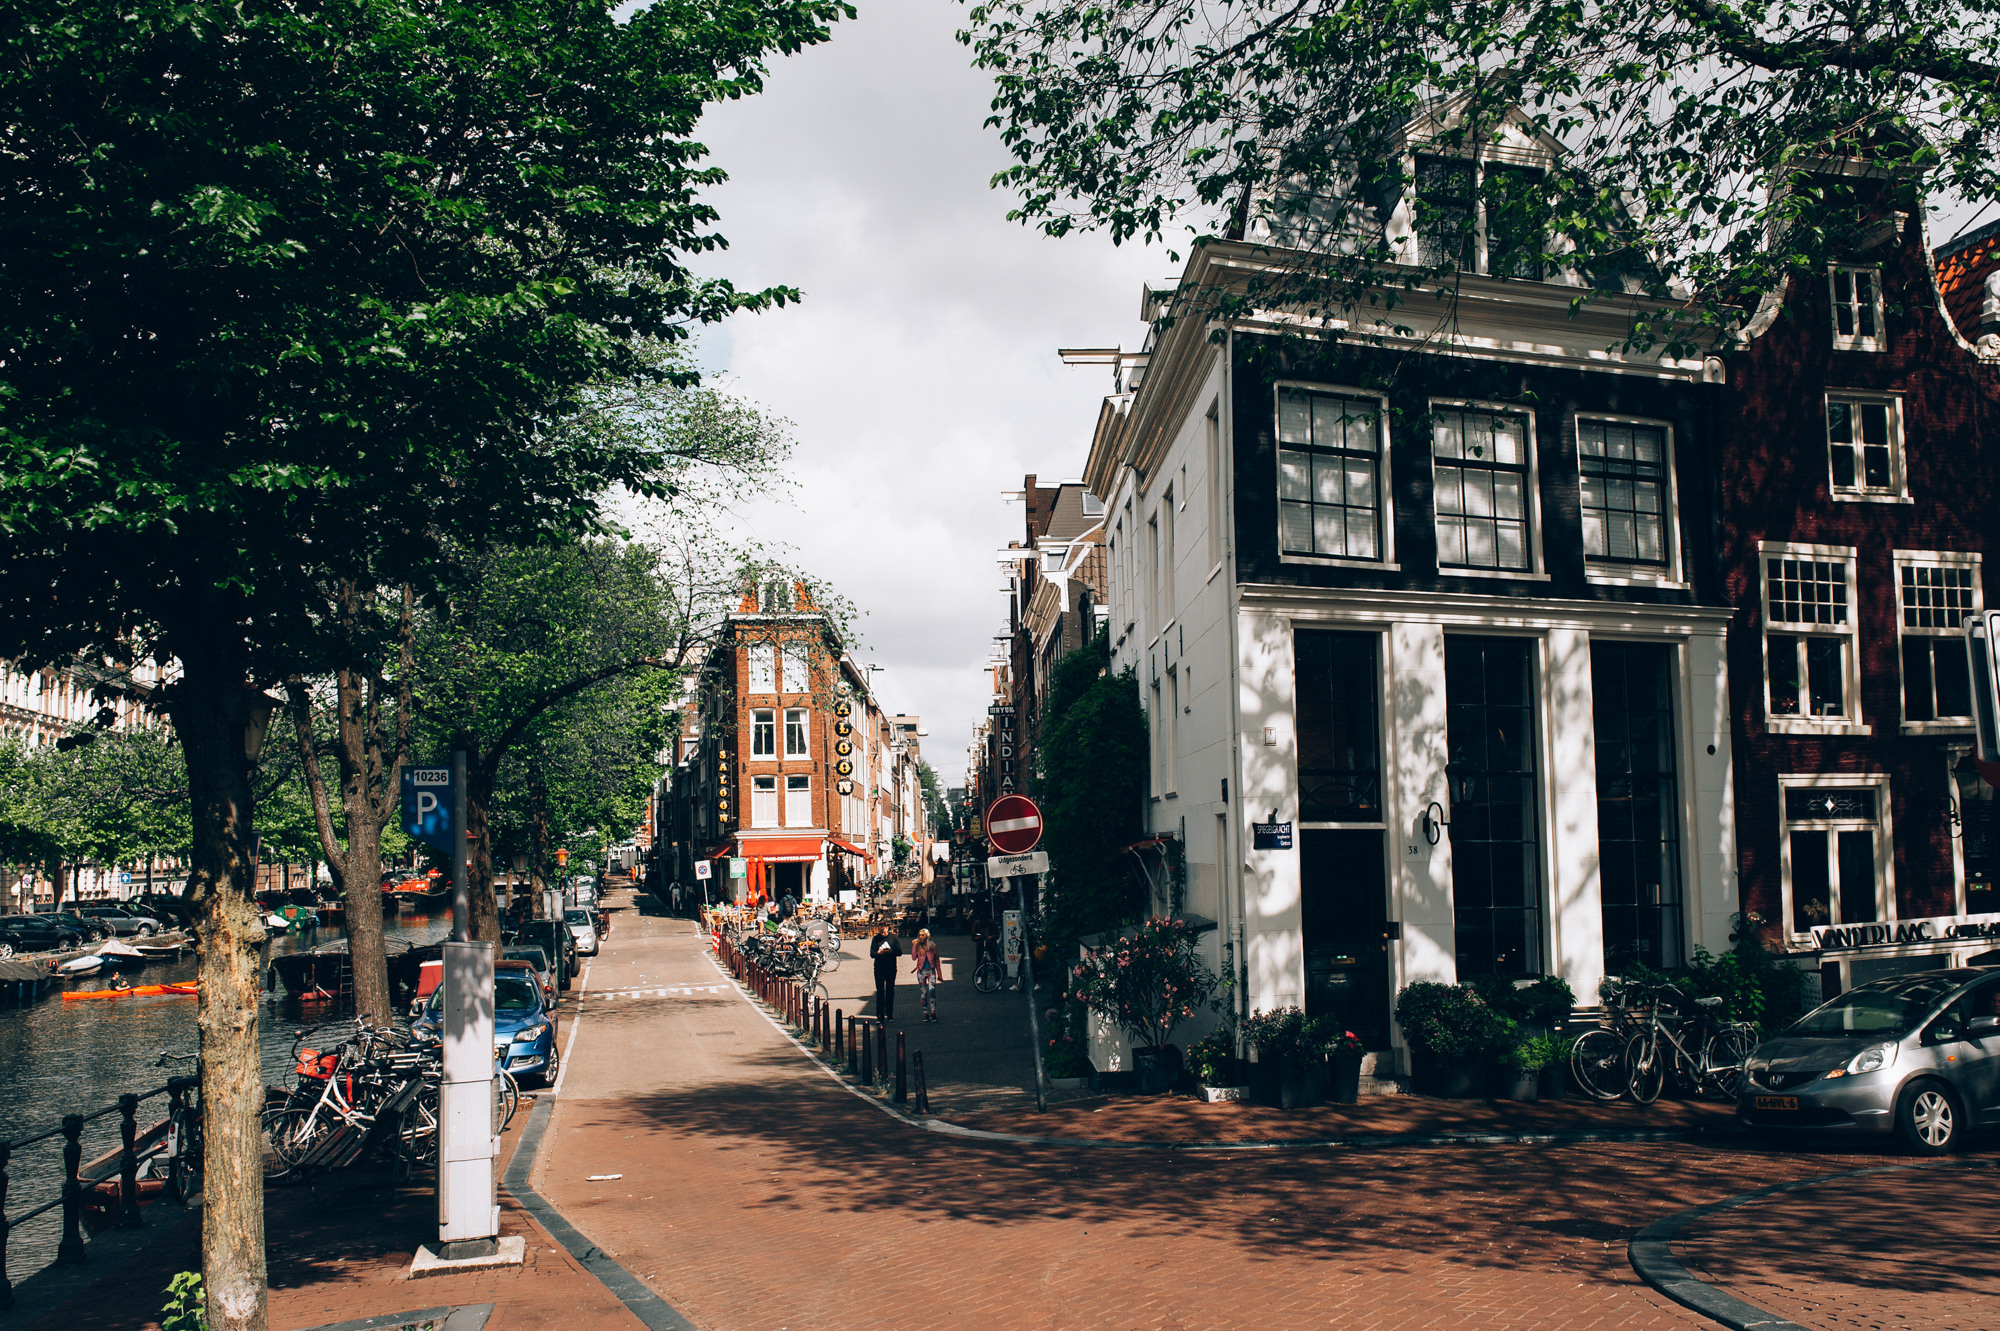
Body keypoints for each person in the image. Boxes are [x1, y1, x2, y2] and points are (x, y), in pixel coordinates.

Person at [870, 924, 901, 1020]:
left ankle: (890, 1013)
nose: (883, 934)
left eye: (884, 931)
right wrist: (878, 953)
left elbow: (899, 952)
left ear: (888, 928)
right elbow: (872, 954)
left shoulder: (893, 938)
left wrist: (890, 951)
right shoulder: (876, 939)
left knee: (890, 990)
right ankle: (880, 1014)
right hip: (879, 968)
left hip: (891, 967)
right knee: (880, 991)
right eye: (881, 932)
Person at [911, 928, 942, 1023]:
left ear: (927, 936)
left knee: (932, 991)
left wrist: (939, 974)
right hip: (921, 972)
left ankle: (933, 1012)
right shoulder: (918, 946)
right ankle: (925, 1013)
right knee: (923, 993)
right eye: (919, 935)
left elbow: (937, 960)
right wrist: (914, 945)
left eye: (923, 935)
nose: (921, 937)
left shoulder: (932, 945)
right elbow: (913, 957)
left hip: (931, 971)